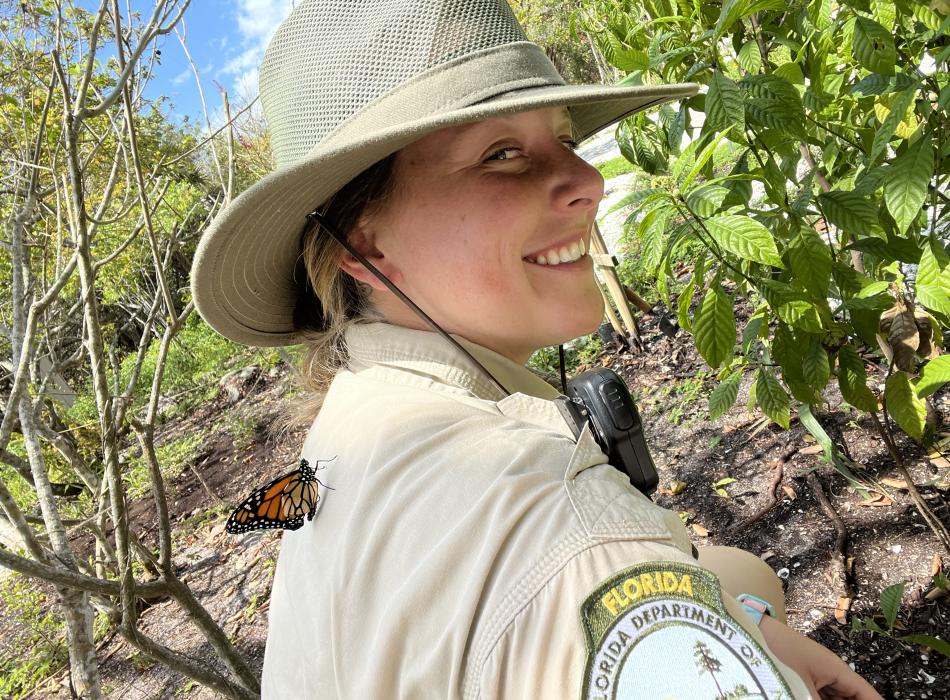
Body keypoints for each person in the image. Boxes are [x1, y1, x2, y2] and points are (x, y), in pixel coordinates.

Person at [192, 1, 883, 698]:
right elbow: (572, 566)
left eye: (565, 140)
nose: (588, 182)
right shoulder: (572, 532)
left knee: (747, 575)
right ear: (365, 245)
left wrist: (750, 621)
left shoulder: (351, 434)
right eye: (501, 154)